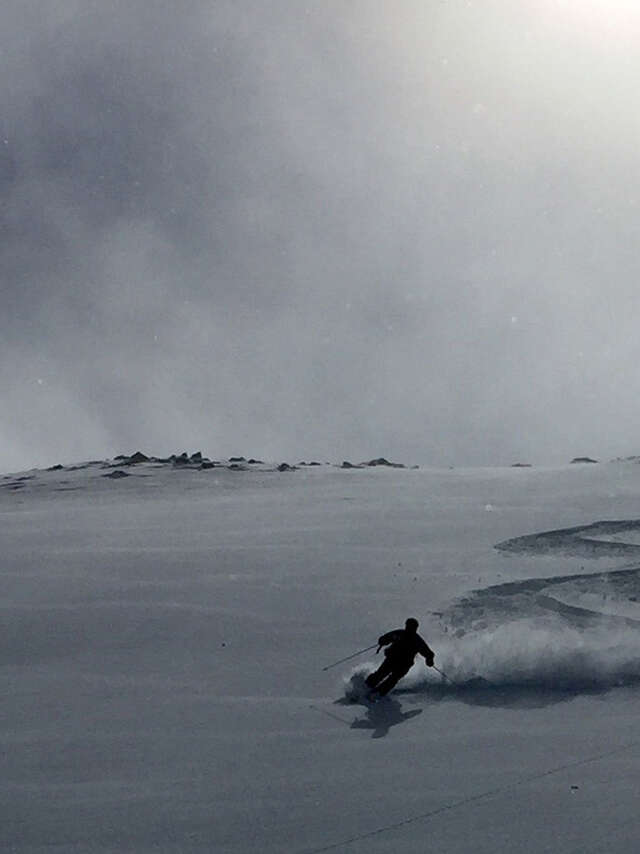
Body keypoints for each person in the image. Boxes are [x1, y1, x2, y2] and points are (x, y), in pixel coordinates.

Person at [365, 617, 434, 698]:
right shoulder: (400, 633)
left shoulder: (417, 640)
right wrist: (383, 641)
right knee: (381, 674)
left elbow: (428, 653)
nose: (410, 629)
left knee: (392, 679)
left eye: (412, 627)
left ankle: (378, 693)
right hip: (392, 659)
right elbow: (386, 637)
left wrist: (429, 659)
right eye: (408, 626)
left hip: (404, 664)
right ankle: (366, 687)